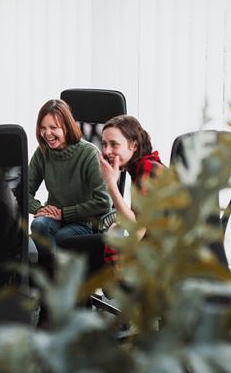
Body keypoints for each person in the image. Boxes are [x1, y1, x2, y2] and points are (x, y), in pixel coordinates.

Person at [61, 115, 164, 274]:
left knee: (69, 247)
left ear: (133, 145)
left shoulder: (148, 169)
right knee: (73, 244)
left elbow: (137, 230)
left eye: (114, 144)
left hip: (157, 260)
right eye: (104, 144)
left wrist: (111, 185)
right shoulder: (142, 167)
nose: (107, 151)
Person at [29, 99, 111, 268]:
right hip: (53, 216)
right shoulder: (42, 152)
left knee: (62, 238)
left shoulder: (89, 154)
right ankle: (50, 281)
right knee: (38, 224)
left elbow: (104, 203)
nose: (47, 133)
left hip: (83, 222)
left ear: (67, 126)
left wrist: (64, 213)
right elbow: (22, 191)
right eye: (43, 128)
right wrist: (38, 208)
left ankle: (58, 284)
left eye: (53, 127)